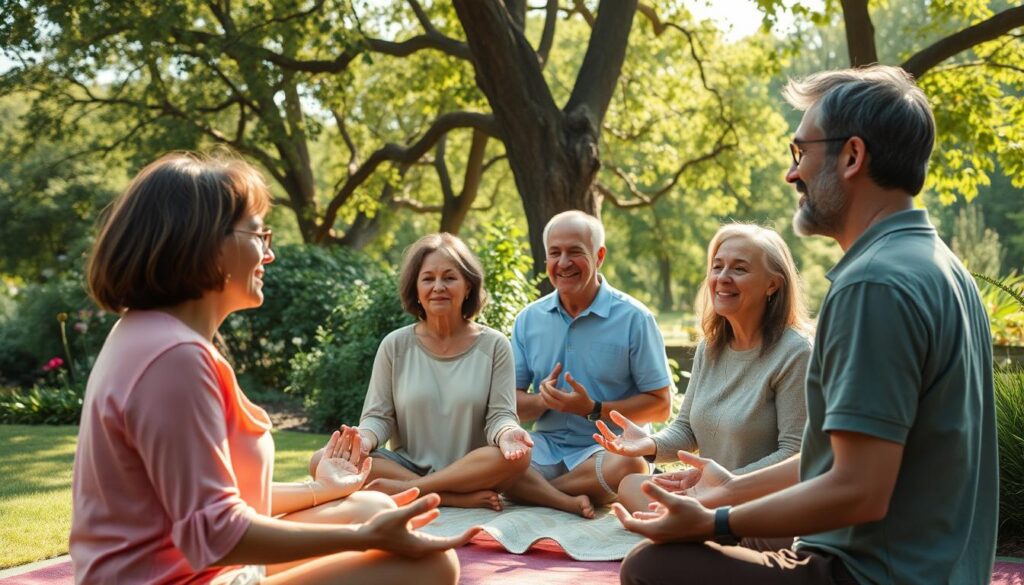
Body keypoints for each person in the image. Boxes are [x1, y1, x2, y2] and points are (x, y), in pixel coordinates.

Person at [615, 65, 997, 585]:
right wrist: (728, 489)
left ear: (852, 156)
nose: (792, 174)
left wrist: (717, 522)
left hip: (866, 574)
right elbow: (846, 460)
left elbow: (859, 489)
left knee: (653, 568)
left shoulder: (873, 283)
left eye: (801, 153)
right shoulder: (942, 266)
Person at [70, 153, 478, 585]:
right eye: (258, 234)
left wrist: (324, 490)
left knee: (371, 504)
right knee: (431, 565)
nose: (269, 253)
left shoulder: (151, 333)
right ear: (202, 240)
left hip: (187, 566)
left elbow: (211, 501)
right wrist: (362, 538)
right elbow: (215, 535)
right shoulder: (173, 360)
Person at [595, 223, 812, 512]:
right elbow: (687, 429)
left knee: (663, 515)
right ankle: (685, 529)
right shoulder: (709, 349)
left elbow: (795, 454)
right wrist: (649, 444)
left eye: (739, 269)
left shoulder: (795, 352)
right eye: (717, 267)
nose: (723, 278)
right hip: (705, 490)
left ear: (772, 284)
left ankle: (687, 530)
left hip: (759, 502)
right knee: (632, 486)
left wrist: (726, 485)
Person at [309, 233, 534, 511]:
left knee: (520, 456)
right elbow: (378, 417)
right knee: (322, 460)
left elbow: (501, 415)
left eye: (449, 278)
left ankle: (409, 491)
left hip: (470, 468)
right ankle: (450, 497)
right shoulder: (395, 345)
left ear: (468, 286)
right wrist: (363, 440)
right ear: (415, 289)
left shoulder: (494, 345)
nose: (438, 286)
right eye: (428, 278)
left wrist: (508, 432)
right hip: (406, 465)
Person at [503, 210, 673, 518]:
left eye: (575, 252)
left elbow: (661, 406)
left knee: (631, 464)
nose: (564, 263)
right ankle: (565, 498)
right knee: (491, 456)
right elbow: (510, 406)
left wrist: (593, 408)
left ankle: (540, 493)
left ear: (600, 256)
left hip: (608, 450)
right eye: (555, 253)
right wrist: (543, 400)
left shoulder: (635, 318)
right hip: (546, 447)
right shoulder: (529, 319)